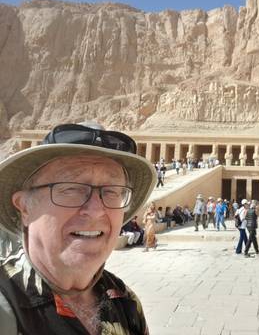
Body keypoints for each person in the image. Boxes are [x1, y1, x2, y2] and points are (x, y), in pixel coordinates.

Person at [0, 122, 156, 334]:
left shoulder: (124, 301)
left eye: (111, 191)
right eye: (71, 188)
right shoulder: (6, 303)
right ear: (24, 206)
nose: (95, 211)